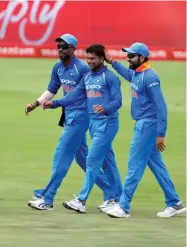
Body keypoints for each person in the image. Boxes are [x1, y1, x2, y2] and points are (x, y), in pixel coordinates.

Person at [26, 36, 120, 211]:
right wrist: (37, 103)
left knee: (62, 155)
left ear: (73, 49)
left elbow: (89, 92)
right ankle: (111, 191)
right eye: (58, 46)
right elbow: (54, 89)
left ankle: (48, 197)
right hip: (70, 115)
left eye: (64, 47)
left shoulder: (82, 68)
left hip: (82, 117)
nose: (60, 49)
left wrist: (105, 109)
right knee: (83, 158)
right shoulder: (58, 67)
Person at [103, 42, 186, 218]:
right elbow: (127, 73)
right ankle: (175, 202)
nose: (128, 58)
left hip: (148, 125)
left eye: (132, 56)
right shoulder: (137, 73)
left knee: (134, 164)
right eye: (128, 55)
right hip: (142, 123)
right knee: (156, 164)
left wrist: (161, 134)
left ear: (142, 58)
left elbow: (161, 107)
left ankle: (123, 206)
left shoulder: (150, 77)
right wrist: (112, 61)